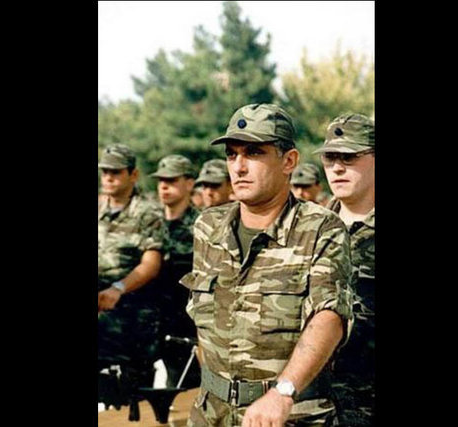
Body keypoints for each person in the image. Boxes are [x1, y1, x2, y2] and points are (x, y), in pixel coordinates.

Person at [180, 103, 354, 426]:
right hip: (211, 413)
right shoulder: (208, 227)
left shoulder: (320, 228)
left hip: (289, 414)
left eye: (254, 153)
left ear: (289, 161)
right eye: (231, 154)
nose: (238, 167)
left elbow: (329, 317)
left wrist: (282, 392)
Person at [314, 113, 375, 426]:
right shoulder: (308, 229)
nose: (336, 168)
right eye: (330, 157)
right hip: (312, 406)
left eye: (349, 157)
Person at [97, 144, 165, 385]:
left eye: (116, 172)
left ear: (133, 175)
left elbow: (151, 264)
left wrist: (118, 288)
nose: (108, 177)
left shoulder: (148, 212)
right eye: (105, 171)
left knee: (130, 390)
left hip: (130, 305)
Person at [150, 154, 201, 387]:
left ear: (189, 183)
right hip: (147, 323)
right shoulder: (149, 222)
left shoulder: (202, 226)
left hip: (183, 324)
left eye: (171, 180)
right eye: (161, 180)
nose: (164, 186)